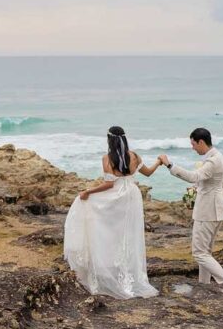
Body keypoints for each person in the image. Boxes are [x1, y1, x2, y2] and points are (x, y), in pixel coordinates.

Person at [63, 126, 160, 299]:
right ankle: (127, 274)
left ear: (110, 140)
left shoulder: (107, 158)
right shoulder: (135, 156)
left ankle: (108, 270)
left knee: (109, 230)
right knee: (129, 234)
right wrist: (159, 162)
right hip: (132, 195)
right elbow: (149, 173)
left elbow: (109, 185)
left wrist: (88, 192)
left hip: (117, 197)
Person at [159, 127, 223, 287]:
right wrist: (217, 199)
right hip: (216, 211)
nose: (192, 147)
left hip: (207, 213)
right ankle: (204, 285)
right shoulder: (220, 157)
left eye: (193, 144)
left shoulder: (213, 161)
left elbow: (194, 176)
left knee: (200, 253)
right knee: (205, 253)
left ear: (201, 142)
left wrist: (169, 165)